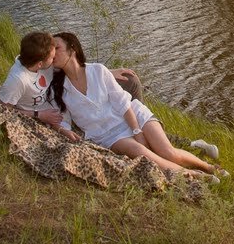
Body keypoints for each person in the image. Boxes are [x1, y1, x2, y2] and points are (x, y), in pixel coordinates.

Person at [48, 31, 219, 177]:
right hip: (107, 135)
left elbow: (123, 103)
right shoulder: (58, 88)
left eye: (57, 48)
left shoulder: (98, 71)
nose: (53, 53)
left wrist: (137, 130)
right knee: (143, 152)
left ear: (73, 49)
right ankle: (195, 176)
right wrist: (63, 130)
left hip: (132, 115)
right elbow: (62, 119)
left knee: (167, 152)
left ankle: (209, 167)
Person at [0, 31, 79, 141]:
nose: (55, 58)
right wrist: (39, 114)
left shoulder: (41, 62)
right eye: (52, 57)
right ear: (40, 64)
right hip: (36, 114)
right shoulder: (18, 80)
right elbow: (1, 109)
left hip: (50, 103)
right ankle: (60, 129)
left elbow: (77, 69)